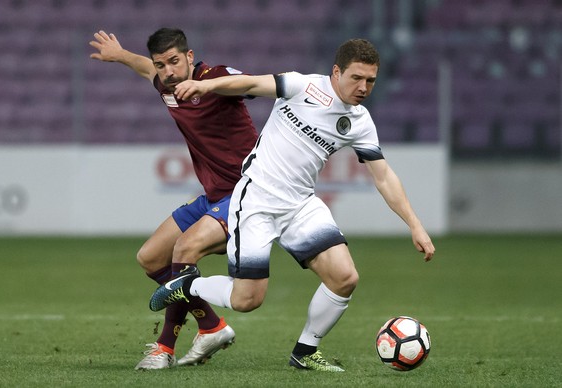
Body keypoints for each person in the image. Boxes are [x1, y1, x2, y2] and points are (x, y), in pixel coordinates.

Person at [149, 38, 436, 372]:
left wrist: (415, 225)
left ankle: (305, 352)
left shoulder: (360, 121)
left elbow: (384, 177)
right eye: (356, 78)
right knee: (247, 300)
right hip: (256, 200)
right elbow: (251, 82)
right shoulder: (304, 86)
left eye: (370, 80)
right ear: (336, 72)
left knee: (344, 277)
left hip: (300, 205)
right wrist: (207, 83)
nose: (363, 87)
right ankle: (186, 284)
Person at [89, 28, 259, 370]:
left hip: (248, 193)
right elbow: (145, 68)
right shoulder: (167, 85)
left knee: (184, 250)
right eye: (161, 64)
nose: (168, 71)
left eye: (174, 62)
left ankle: (164, 349)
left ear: (190, 57)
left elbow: (253, 84)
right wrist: (120, 54)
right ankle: (211, 326)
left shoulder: (217, 77)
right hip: (213, 196)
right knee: (151, 258)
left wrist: (209, 85)